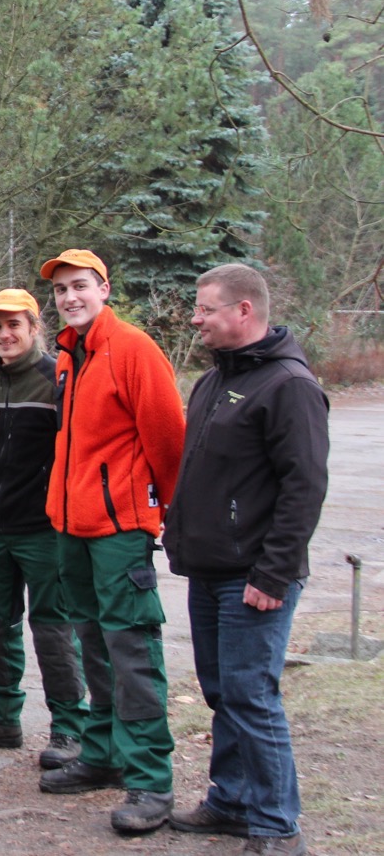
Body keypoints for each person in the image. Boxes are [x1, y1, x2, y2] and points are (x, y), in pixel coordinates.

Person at [163, 264, 328, 856]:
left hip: (255, 576)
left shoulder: (290, 386)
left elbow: (303, 487)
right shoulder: (213, 382)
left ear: (243, 312)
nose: (195, 318)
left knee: (252, 695)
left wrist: (274, 573)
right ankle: (230, 801)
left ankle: (278, 825)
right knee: (222, 692)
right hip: (209, 569)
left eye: (205, 309)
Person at [36, 249, 185, 835]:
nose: (70, 298)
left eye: (80, 287)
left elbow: (168, 438)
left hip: (122, 530)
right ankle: (102, 755)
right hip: (72, 528)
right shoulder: (70, 356)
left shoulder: (132, 349)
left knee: (132, 651)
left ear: (104, 289)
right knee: (90, 642)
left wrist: (164, 512)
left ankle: (150, 780)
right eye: (61, 291)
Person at [0, 289, 87, 771]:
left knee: (53, 629)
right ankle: (2, 718)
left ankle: (71, 727)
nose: (4, 334)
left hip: (45, 529)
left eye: (14, 326)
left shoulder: (58, 380)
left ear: (34, 328)